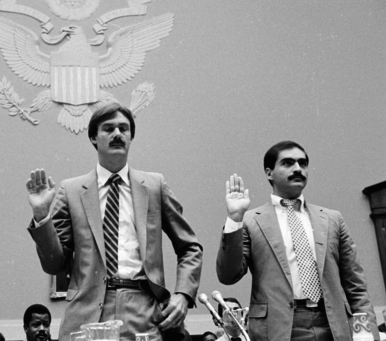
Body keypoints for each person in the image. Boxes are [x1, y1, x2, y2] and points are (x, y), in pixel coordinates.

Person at [25, 103, 203, 340]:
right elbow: (54, 264)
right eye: (108, 129)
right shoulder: (71, 190)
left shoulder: (154, 186)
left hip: (144, 310)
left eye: (123, 129)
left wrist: (183, 295)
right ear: (93, 138)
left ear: (131, 137)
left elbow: (190, 247)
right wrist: (41, 215)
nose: (117, 134)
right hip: (87, 313)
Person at [217, 140, 378, 341]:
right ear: (269, 173)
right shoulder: (250, 220)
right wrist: (234, 219)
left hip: (334, 325)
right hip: (279, 328)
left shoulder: (332, 219)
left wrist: (368, 334)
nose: (297, 169)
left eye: (302, 163)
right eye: (288, 163)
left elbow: (356, 285)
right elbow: (228, 275)